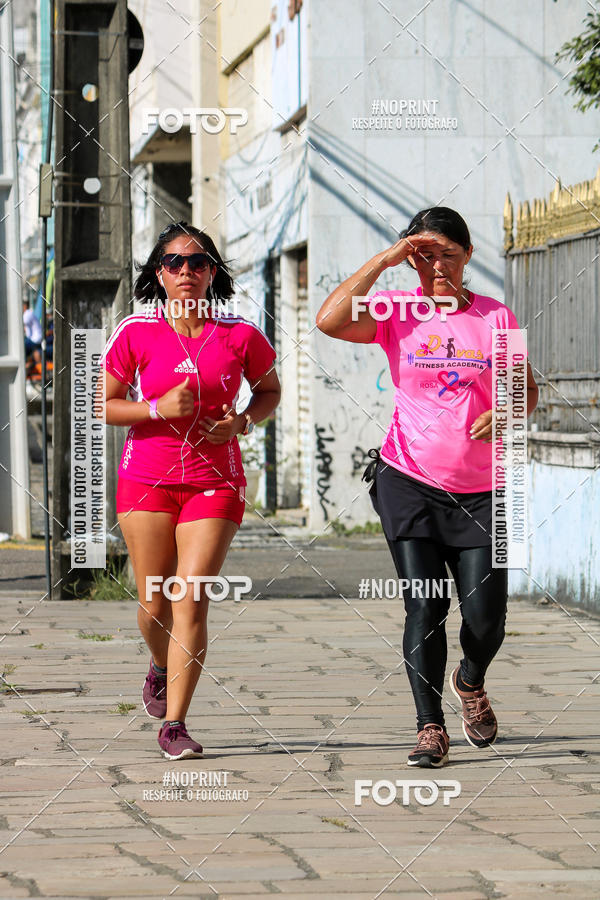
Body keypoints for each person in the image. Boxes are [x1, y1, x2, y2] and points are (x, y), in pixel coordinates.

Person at [316, 207, 538, 768]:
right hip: (408, 480)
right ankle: (429, 726)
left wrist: (508, 410)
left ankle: (470, 679)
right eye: (424, 255)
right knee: (426, 603)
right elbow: (329, 320)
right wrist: (387, 259)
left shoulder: (496, 316)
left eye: (448, 254)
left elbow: (527, 391)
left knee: (486, 619)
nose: (437, 266)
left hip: (484, 491)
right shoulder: (396, 311)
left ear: (468, 256)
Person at [102, 221, 281, 760]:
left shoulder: (240, 334)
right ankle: (160, 665)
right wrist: (156, 408)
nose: (186, 271)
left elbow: (269, 391)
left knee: (191, 596)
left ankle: (175, 725)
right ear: (159, 274)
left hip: (215, 483)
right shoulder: (136, 331)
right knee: (154, 601)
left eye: (198, 262)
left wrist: (243, 421)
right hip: (147, 481)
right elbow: (105, 405)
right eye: (174, 262)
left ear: (212, 273)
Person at [23, 300, 42, 375]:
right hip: (35, 338)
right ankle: (28, 363)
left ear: (25, 306)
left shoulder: (27, 314)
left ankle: (25, 363)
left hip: (36, 339)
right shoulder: (29, 313)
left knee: (23, 345)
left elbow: (21, 323)